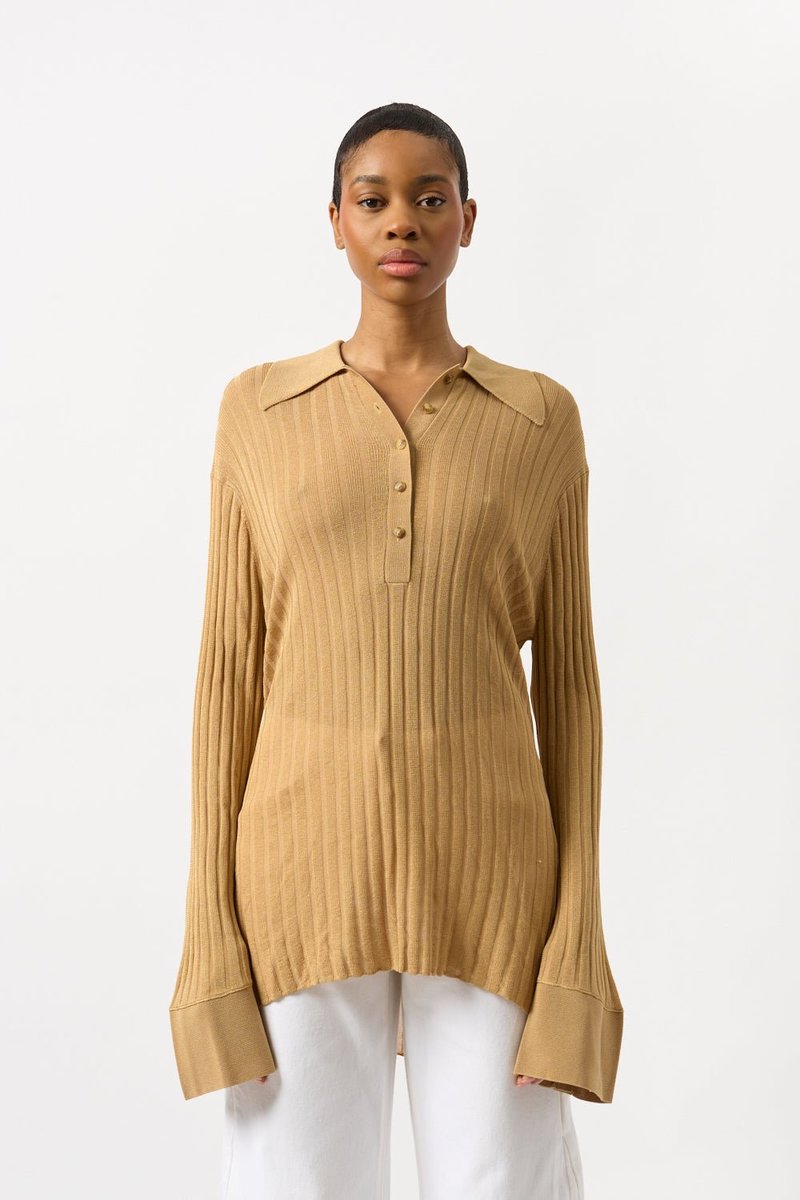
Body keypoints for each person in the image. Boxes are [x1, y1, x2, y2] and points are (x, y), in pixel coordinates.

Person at [169, 101, 624, 1198]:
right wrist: (209, 940)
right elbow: (227, 679)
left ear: (468, 218)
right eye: (372, 201)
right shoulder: (259, 412)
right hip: (294, 887)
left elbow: (568, 688)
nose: (401, 223)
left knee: (503, 1182)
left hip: (494, 891)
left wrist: (575, 940)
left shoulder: (536, 420)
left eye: (429, 199)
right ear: (335, 221)